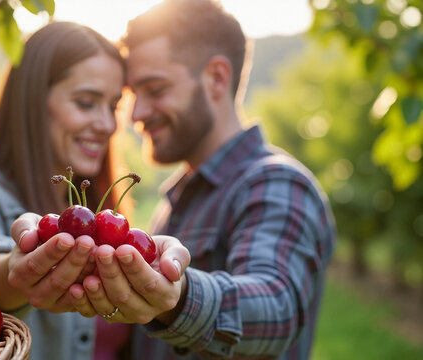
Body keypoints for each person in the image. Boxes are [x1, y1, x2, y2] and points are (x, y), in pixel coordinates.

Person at [58, 0, 336, 359]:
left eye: (155, 89)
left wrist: (179, 297)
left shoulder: (278, 184)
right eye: (133, 96)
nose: (137, 114)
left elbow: (277, 306)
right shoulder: (179, 198)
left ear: (216, 78)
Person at [0, 21, 171, 360]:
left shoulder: (100, 217)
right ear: (33, 103)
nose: (107, 124)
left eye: (114, 105)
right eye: (87, 102)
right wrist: (19, 269)